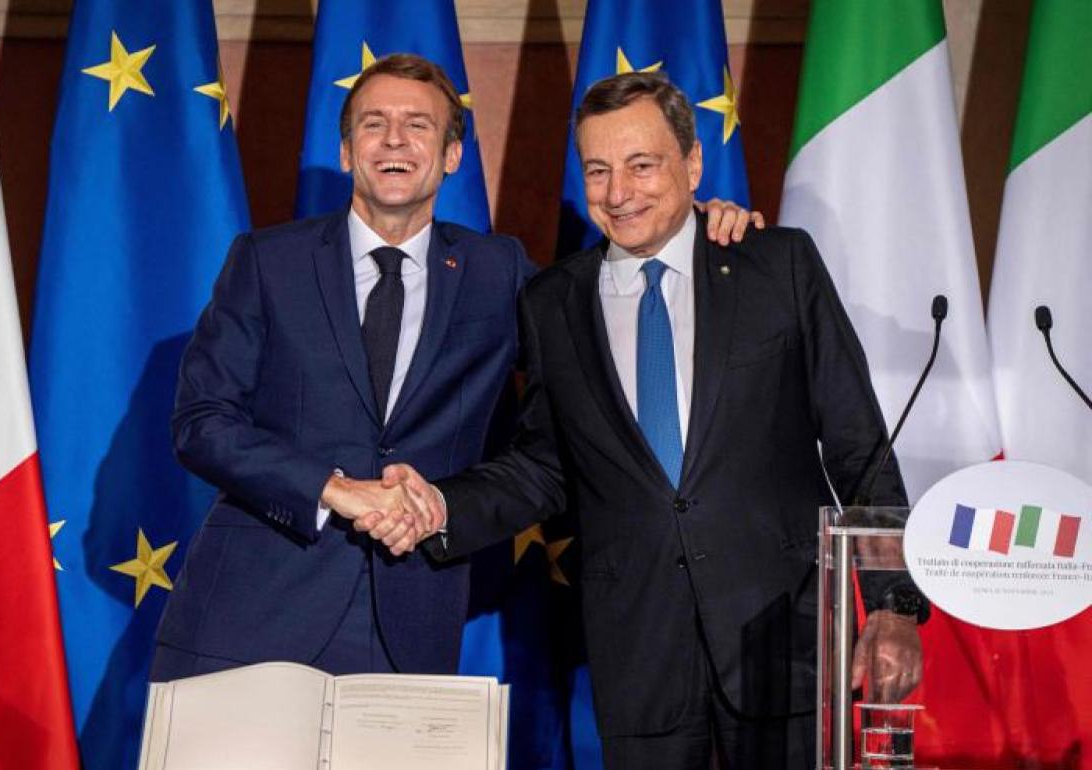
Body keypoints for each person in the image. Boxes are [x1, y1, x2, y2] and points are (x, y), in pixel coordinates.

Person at [353, 72, 924, 769]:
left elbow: (860, 446)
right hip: (639, 653)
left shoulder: (777, 265)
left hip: (783, 637)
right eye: (598, 170)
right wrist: (440, 507)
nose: (618, 192)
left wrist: (894, 605)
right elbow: (543, 467)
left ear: (692, 164)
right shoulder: (552, 303)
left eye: (642, 165)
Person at [151, 56, 758, 680]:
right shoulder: (267, 262)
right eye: (374, 124)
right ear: (346, 151)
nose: (394, 139)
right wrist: (335, 490)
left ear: (451, 156)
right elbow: (202, 422)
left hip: (409, 620)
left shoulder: (499, 272)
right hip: (250, 615)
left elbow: (609, 332)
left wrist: (690, 226)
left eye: (418, 125)